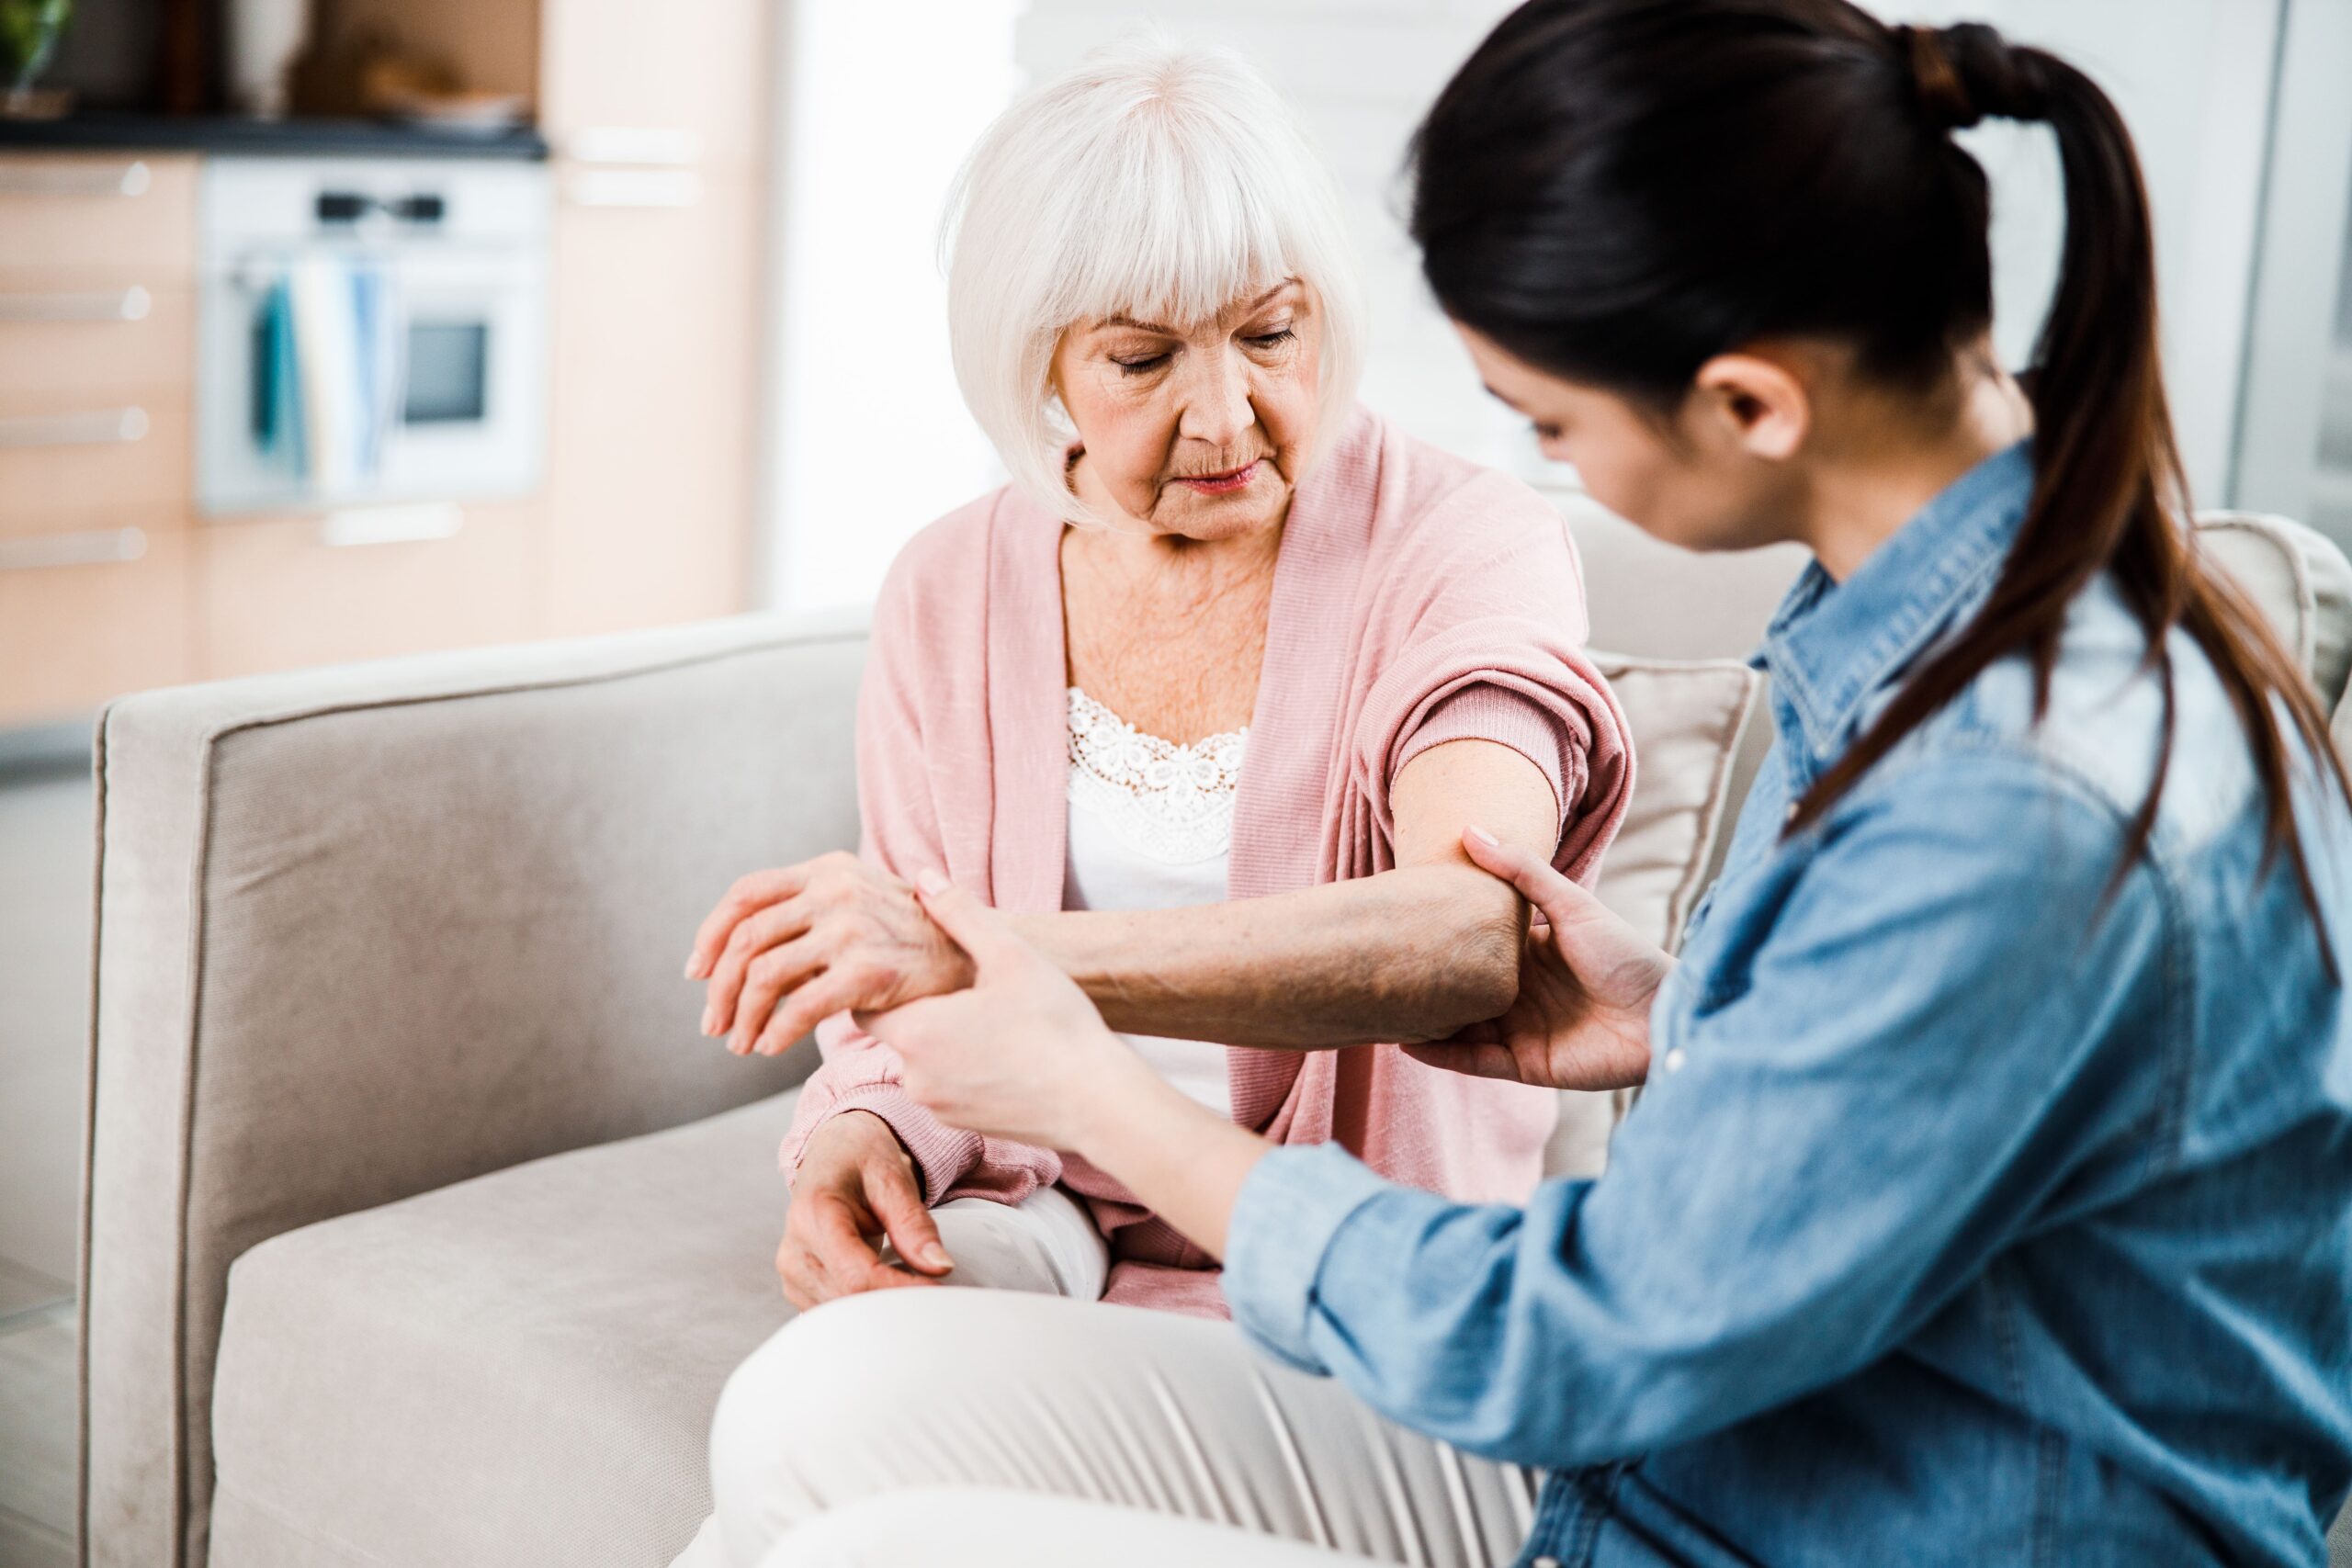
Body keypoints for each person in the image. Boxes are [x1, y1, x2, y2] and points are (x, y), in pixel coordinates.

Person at [718, 5, 2352, 1567]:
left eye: (1552, 421)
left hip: (1780, 1515)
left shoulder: (2017, 797)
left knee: (862, 1540)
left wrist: (1081, 1077)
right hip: (1703, 1472)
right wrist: (1692, 1004)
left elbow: (1581, 1344)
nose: (1544, 470)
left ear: (1748, 403)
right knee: (814, 1412)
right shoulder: (1963, 648)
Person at [667, 39, 1633, 1568]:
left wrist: (979, 956)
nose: (1229, 417)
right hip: (1045, 1222)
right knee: (788, 1419)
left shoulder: (1466, 549)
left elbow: (1468, 935)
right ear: (1035, 366)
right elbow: (904, 1025)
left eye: (1269, 334)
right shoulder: (950, 585)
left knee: (785, 1511)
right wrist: (869, 1136)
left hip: (1348, 1273)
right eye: (1143, 360)